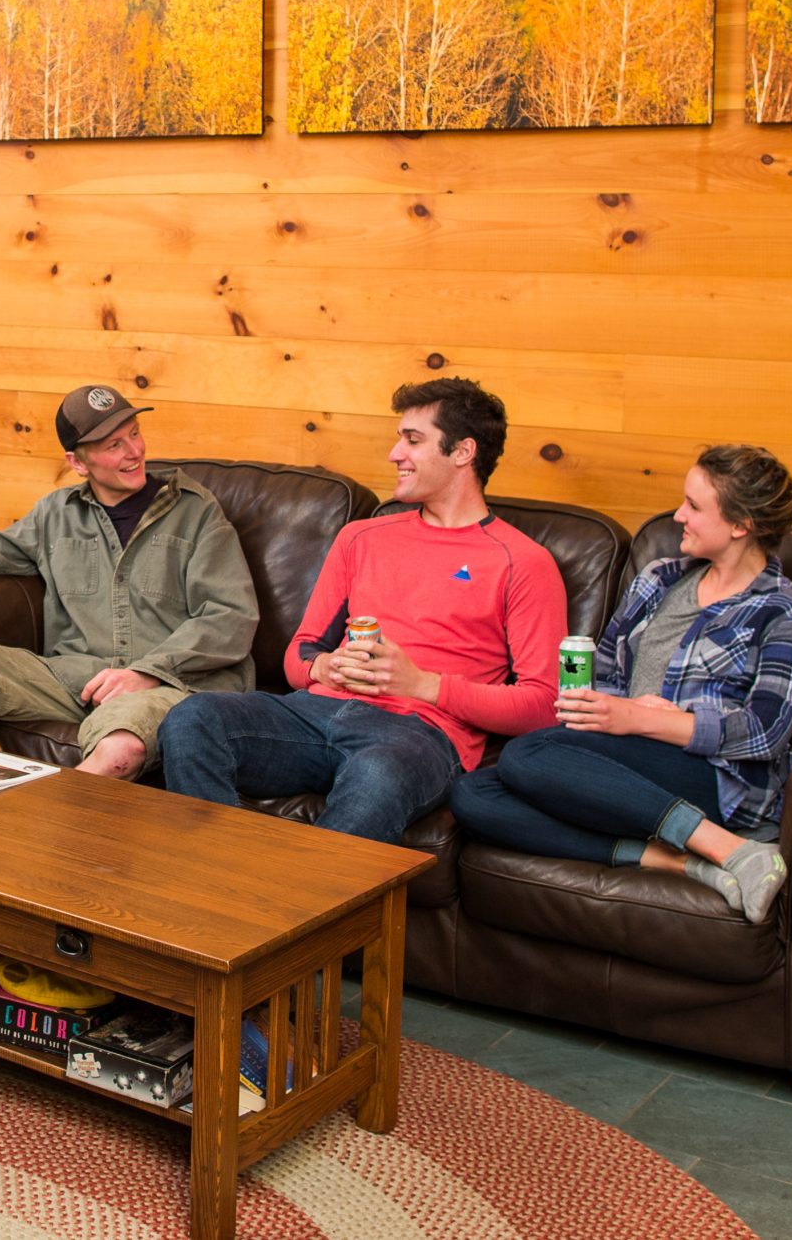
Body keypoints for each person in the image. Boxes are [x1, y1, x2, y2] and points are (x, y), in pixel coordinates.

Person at [159, 378, 567, 1104]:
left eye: (411, 439)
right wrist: (324, 663)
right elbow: (299, 653)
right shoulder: (362, 536)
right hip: (317, 714)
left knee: (376, 779)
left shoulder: (521, 562)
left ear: (462, 452)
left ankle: (257, 992)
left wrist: (424, 683)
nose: (394, 452)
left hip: (421, 734)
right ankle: (213, 929)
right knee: (193, 719)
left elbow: (540, 705)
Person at [449, 446, 792, 925]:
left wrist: (642, 719)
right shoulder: (657, 579)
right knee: (472, 795)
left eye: (694, 506)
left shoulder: (788, 612)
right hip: (622, 755)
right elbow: (604, 675)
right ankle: (689, 860)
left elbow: (765, 732)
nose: (679, 515)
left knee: (525, 756)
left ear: (740, 524)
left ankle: (730, 844)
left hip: (716, 777)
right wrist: (610, 709)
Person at [0, 385, 258, 780]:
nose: (134, 451)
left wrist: (147, 672)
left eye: (135, 433)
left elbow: (230, 616)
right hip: (76, 678)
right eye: (113, 445)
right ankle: (1, 820)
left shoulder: (197, 512)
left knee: (120, 749)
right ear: (78, 462)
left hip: (172, 684)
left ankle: (37, 839)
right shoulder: (56, 514)